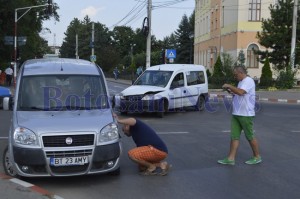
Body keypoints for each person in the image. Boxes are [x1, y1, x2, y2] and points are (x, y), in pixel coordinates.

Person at [217, 66, 262, 165]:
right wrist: (231, 91)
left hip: (246, 114)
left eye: (235, 74)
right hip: (237, 113)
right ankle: (230, 158)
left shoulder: (248, 81)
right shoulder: (241, 82)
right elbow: (238, 93)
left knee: (249, 136)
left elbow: (241, 92)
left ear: (241, 73)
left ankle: (257, 156)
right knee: (234, 136)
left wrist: (229, 85)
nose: (235, 76)